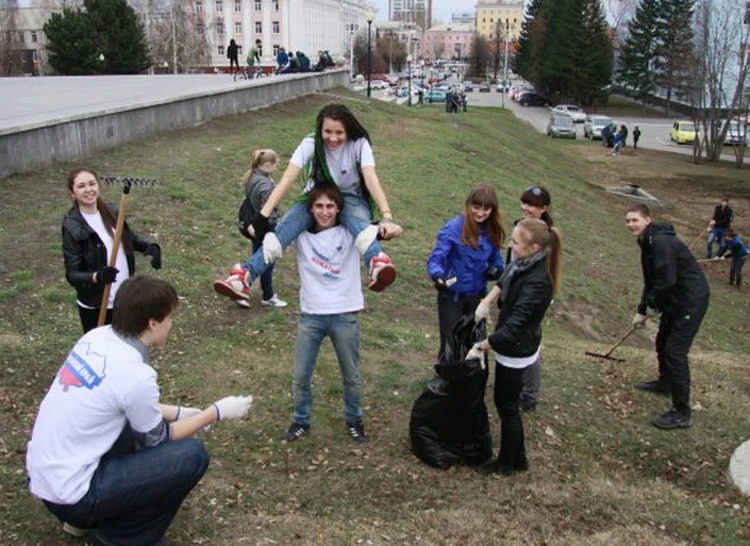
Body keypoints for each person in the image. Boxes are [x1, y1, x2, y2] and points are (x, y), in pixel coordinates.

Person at [26, 275, 253, 546]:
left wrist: (181, 412)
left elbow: (115, 402)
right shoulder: (136, 375)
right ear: (153, 322)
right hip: (75, 496)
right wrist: (214, 412)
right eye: (169, 317)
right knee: (191, 455)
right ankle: (121, 538)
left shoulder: (97, 338)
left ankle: (81, 522)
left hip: (46, 478)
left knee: (127, 426)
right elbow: (156, 437)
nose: (172, 324)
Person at [214, 103, 402, 302]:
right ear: (320, 129)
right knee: (280, 234)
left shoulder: (359, 144)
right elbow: (288, 178)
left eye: (339, 132)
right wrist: (263, 216)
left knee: (362, 228)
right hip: (316, 194)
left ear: (348, 130)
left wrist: (386, 215)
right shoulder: (311, 143)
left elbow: (371, 177)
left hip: (350, 197)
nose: (333, 138)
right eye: (327, 131)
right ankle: (244, 276)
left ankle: (376, 262)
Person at [281, 185, 369, 443]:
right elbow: (275, 233)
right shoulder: (301, 235)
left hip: (345, 314)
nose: (325, 212)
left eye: (330, 206)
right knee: (300, 375)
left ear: (339, 208)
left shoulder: (351, 231)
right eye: (319, 206)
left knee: (351, 376)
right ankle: (300, 420)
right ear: (310, 209)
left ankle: (354, 420)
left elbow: (377, 232)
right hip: (311, 315)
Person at [473, 218, 562, 476]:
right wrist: (486, 301)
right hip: (513, 343)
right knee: (507, 404)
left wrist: (484, 345)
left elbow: (515, 327)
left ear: (533, 247)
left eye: (515, 241)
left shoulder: (538, 281)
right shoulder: (524, 263)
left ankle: (506, 464)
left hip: (516, 349)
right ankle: (519, 458)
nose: (509, 244)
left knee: (507, 407)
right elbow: (505, 277)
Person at [626, 204, 710, 429]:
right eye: (628, 221)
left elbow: (666, 280)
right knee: (662, 341)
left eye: (635, 220)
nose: (631, 225)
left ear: (647, 220)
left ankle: (682, 411)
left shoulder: (660, 242)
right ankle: (666, 384)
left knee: (675, 350)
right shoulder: (648, 242)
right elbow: (651, 281)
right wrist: (641, 310)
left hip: (690, 300)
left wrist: (652, 306)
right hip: (675, 299)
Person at [478, 185, 554, 412]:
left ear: (544, 209)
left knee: (526, 343)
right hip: (513, 294)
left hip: (530, 298)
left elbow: (542, 278)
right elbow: (511, 268)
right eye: (524, 202)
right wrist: (491, 298)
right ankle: (515, 383)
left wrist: (484, 345)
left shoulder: (544, 237)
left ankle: (529, 392)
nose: (526, 208)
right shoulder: (520, 230)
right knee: (514, 335)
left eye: (532, 205)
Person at [63, 168, 162, 333]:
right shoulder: (72, 226)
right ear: (73, 193)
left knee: (123, 343)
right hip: (96, 304)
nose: (88, 189)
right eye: (81, 186)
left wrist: (148, 246)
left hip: (123, 298)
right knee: (99, 351)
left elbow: (129, 238)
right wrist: (97, 276)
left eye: (91, 183)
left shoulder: (112, 212)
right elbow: (72, 274)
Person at [427, 185, 505, 362]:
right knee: (450, 344)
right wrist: (438, 276)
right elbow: (436, 260)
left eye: (486, 209)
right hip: (452, 297)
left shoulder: (492, 231)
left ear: (492, 210)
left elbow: (497, 261)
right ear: (468, 205)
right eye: (476, 207)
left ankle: (470, 386)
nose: (480, 213)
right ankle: (445, 384)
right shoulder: (454, 228)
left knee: (475, 344)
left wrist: (496, 270)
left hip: (477, 298)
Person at [236, 149, 287, 309]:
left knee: (259, 257)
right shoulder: (265, 185)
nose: (277, 168)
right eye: (275, 165)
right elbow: (268, 210)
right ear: (267, 165)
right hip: (263, 228)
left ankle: (263, 292)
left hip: (253, 224)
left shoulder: (252, 176)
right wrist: (273, 226)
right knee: (265, 260)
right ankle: (256, 292)